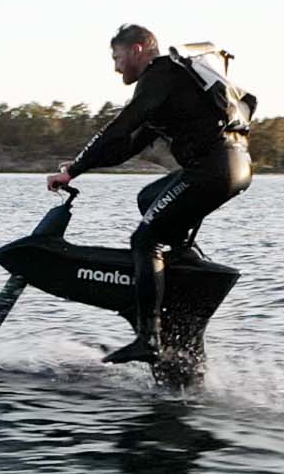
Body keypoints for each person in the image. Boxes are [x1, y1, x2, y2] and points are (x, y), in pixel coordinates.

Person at [46, 24, 253, 365]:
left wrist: (72, 170)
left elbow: (121, 125)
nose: (116, 68)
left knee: (145, 240)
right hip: (231, 166)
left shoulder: (160, 74)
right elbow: (125, 145)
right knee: (148, 199)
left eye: (117, 58)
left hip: (213, 169)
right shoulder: (170, 86)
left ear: (137, 49)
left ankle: (149, 337)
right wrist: (79, 168)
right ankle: (185, 266)